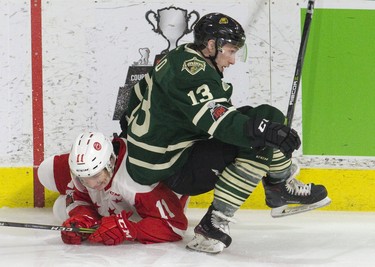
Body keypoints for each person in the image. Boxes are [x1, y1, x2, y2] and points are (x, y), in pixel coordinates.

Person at [120, 12, 331, 254]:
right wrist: (267, 132)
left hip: (151, 157)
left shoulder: (176, 56)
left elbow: (135, 95)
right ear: (211, 45)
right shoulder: (195, 73)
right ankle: (215, 224)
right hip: (170, 168)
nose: (232, 60)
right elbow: (222, 125)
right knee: (258, 136)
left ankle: (279, 185)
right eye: (230, 51)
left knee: (265, 116)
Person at [38, 131, 189, 245]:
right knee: (47, 175)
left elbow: (176, 226)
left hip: (160, 202)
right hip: (114, 196)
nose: (91, 184)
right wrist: (83, 220)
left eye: (95, 176)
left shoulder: (135, 182)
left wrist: (128, 228)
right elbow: (80, 197)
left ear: (110, 162)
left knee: (59, 210)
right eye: (83, 179)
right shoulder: (90, 171)